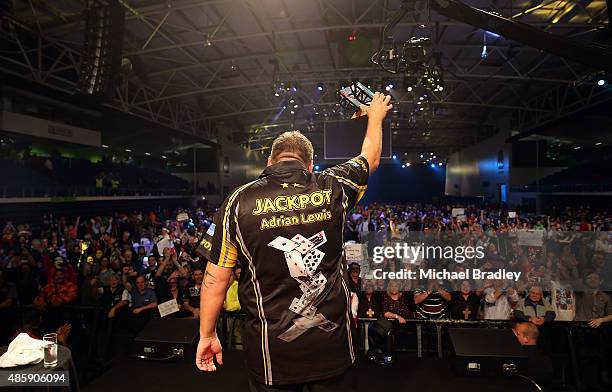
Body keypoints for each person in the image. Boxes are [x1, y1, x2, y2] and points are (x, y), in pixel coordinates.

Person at [195, 92, 392, 391]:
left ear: (269, 160)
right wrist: (375, 117)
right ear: (310, 165)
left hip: (271, 352)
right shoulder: (333, 186)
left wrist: (207, 334)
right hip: (333, 348)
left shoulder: (237, 202)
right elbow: (371, 158)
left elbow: (215, 279)